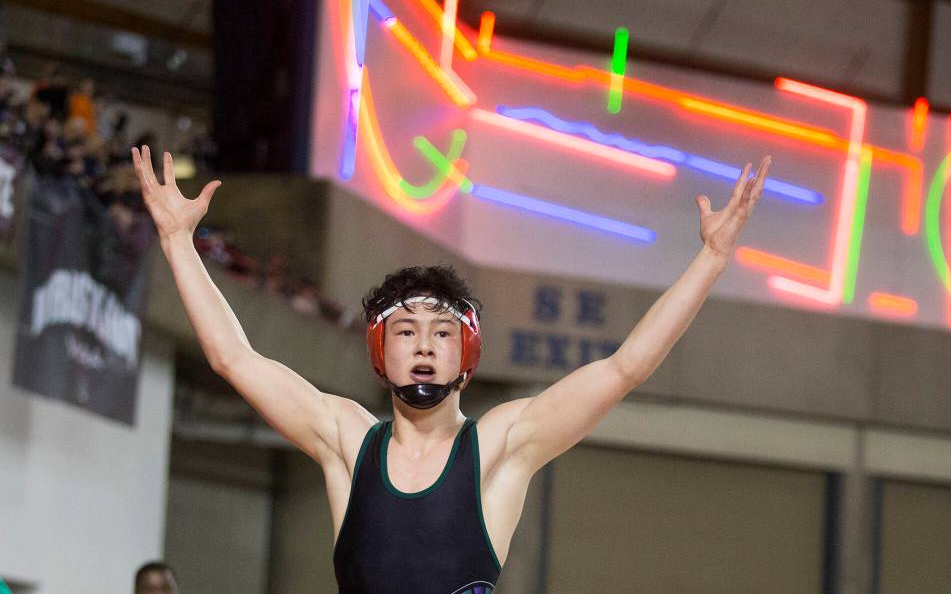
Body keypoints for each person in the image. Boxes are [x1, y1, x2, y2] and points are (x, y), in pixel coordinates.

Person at [131, 145, 770, 593]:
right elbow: (232, 357)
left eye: (443, 332)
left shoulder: (501, 444)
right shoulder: (347, 440)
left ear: (467, 353)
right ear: (382, 351)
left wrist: (711, 260)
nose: (425, 346)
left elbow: (625, 366)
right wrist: (178, 244)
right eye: (406, 332)